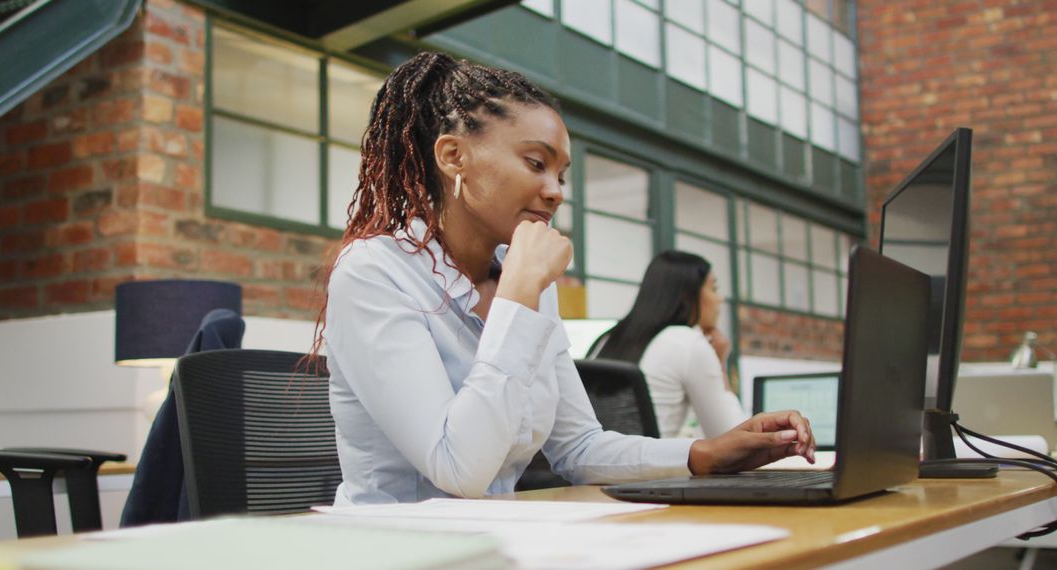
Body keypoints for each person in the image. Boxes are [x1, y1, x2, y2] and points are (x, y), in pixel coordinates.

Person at [313, 51, 815, 505]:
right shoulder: (374, 272)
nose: (554, 192)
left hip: (498, 544)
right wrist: (519, 294)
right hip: (395, 549)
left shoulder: (524, 277)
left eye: (561, 175)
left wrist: (705, 453)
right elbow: (458, 468)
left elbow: (577, 446)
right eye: (536, 163)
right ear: (453, 157)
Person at [587, 251, 748, 439]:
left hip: (596, 465)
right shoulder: (687, 342)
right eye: (713, 289)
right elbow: (731, 438)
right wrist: (720, 366)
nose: (720, 299)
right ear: (688, 295)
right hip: (650, 465)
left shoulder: (607, 339)